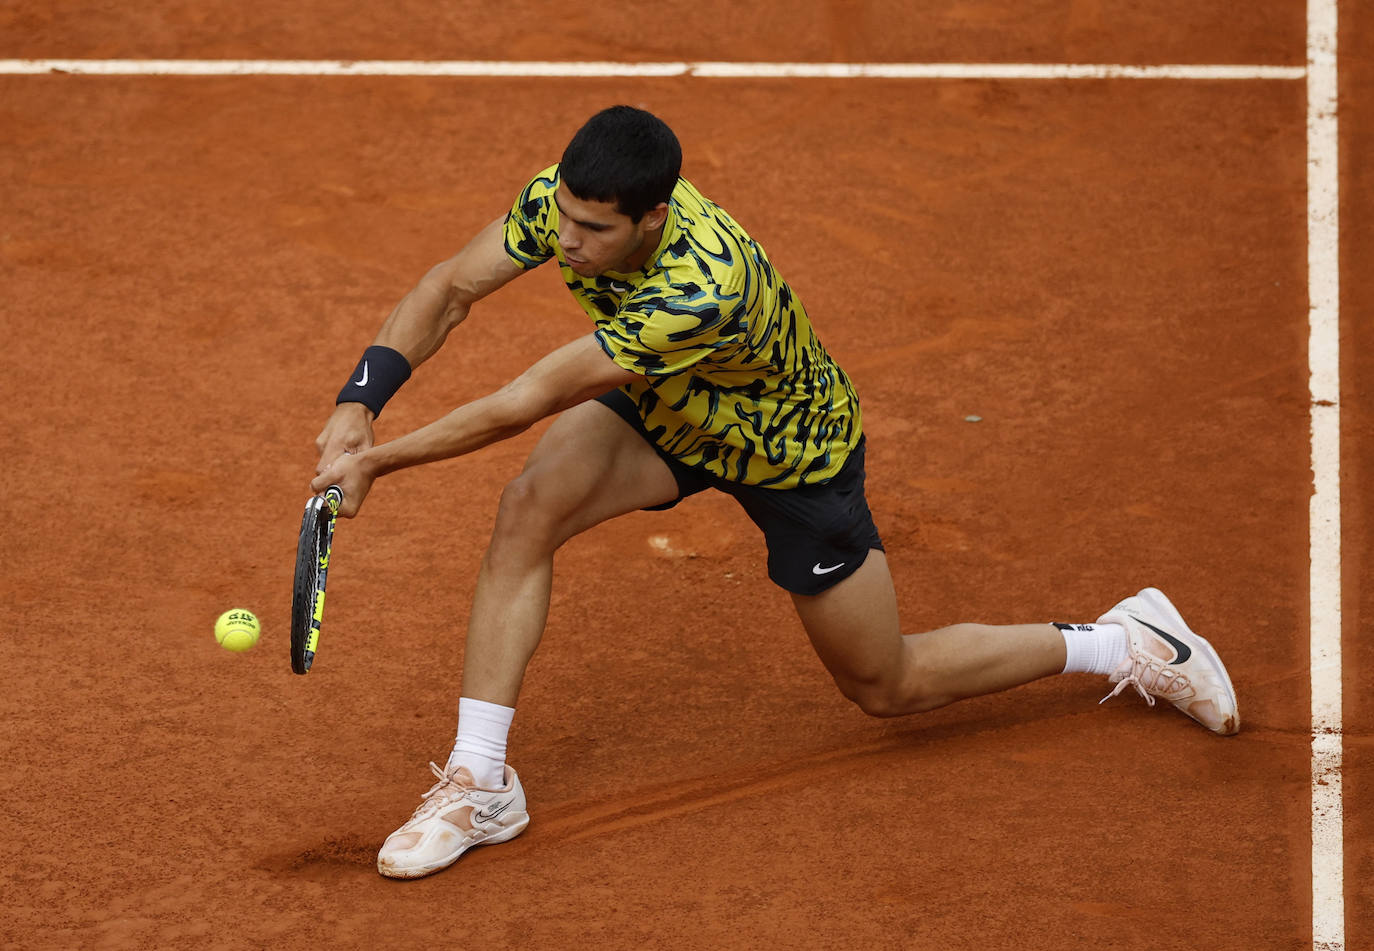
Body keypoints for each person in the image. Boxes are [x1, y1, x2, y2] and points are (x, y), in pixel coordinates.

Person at [311, 105, 1240, 881]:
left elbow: (528, 397)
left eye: (593, 231)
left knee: (888, 684)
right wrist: (361, 402)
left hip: (789, 452)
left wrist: (379, 462)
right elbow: (449, 287)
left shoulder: (698, 288)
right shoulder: (567, 202)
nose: (567, 244)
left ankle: (1125, 639)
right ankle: (481, 782)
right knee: (529, 510)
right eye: (564, 219)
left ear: (652, 218)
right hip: (668, 411)